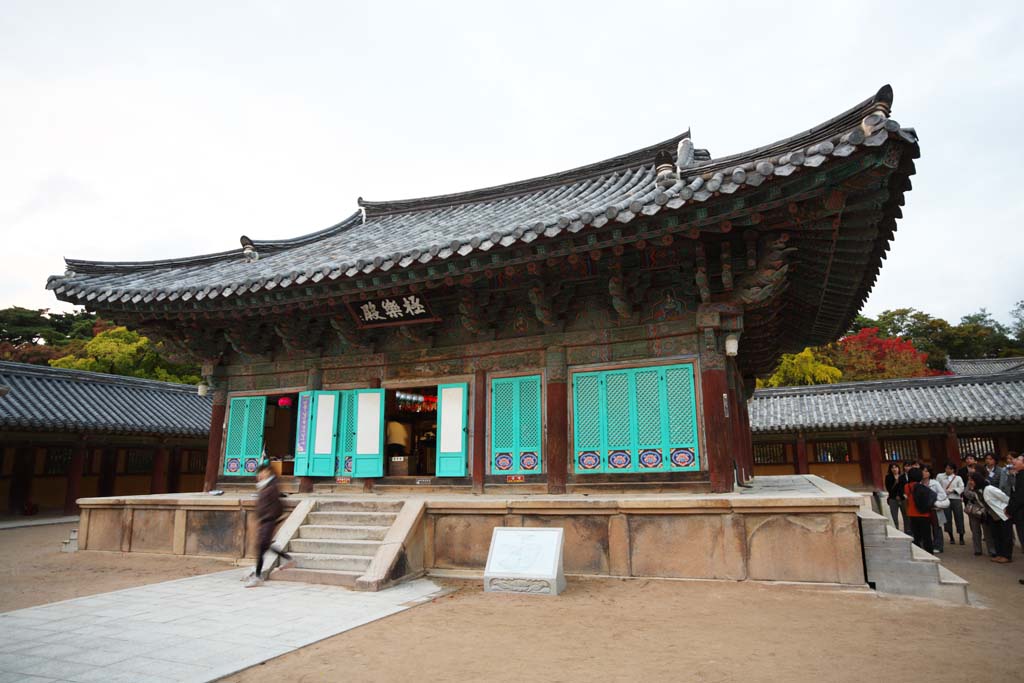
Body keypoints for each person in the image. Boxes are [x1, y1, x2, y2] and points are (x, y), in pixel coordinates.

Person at [246, 463, 295, 587]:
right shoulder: (265, 486)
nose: (260, 475)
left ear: (268, 472)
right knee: (264, 546)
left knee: (261, 547)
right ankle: (288, 559)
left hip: (268, 520)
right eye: (259, 473)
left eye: (262, 472)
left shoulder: (271, 487)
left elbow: (277, 505)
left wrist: (269, 516)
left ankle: (257, 576)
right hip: (264, 520)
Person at [973, 472, 1012, 564]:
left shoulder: (989, 489)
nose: (970, 482)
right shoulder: (977, 491)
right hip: (992, 516)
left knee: (1005, 536)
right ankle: (999, 554)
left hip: (1003, 514)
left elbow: (1005, 498)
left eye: (971, 480)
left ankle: (1007, 556)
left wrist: (1008, 509)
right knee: (996, 536)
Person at [904, 467, 934, 553]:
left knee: (916, 536)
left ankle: (918, 552)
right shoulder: (923, 486)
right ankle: (929, 552)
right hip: (924, 514)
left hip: (912, 514)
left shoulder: (907, 486)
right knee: (927, 536)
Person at [922, 466, 948, 553]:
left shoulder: (935, 483)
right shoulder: (919, 484)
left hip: (934, 508)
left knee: (936, 527)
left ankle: (938, 546)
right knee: (925, 527)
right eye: (923, 471)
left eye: (926, 471)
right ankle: (928, 545)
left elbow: (942, 495)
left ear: (930, 473)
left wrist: (933, 500)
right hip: (924, 508)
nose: (924, 473)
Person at [937, 463, 965, 545]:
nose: (948, 470)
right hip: (945, 499)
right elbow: (938, 486)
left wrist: (953, 490)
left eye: (950, 468)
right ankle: (951, 536)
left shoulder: (958, 478)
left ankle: (961, 536)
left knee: (959, 517)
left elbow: (961, 487)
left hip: (956, 498)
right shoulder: (940, 476)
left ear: (953, 470)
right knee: (947, 518)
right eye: (946, 468)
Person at [962, 476, 990, 556]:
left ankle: (991, 550)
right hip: (973, 510)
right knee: (975, 531)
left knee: (987, 531)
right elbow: (966, 493)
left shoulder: (986, 482)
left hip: (984, 509)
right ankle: (977, 549)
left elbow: (987, 494)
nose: (970, 481)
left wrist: (976, 493)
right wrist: (974, 494)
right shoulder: (969, 483)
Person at [1003, 454, 1024, 555]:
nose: (1014, 461)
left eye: (1018, 459)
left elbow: (1019, 496)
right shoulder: (1017, 474)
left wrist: (1009, 510)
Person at [884, 463, 908, 530]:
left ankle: (907, 531)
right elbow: (889, 489)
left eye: (896, 467)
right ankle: (896, 530)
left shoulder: (903, 476)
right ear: (890, 469)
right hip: (893, 499)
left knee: (906, 516)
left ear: (898, 468)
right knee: (894, 517)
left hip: (903, 499)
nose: (894, 469)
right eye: (892, 468)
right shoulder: (888, 477)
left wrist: (901, 495)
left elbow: (905, 488)